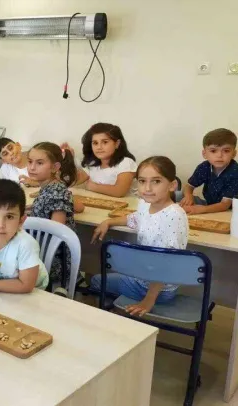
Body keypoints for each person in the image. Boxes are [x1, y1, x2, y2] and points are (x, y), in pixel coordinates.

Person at [92, 156, 188, 316]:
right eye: (142, 181)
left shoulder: (174, 216)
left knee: (96, 281)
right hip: (144, 276)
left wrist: (148, 300)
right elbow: (135, 218)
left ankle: (115, 318)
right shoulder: (146, 203)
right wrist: (109, 221)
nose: (147, 188)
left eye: (156, 181)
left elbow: (166, 262)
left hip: (157, 288)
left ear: (172, 185)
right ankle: (118, 312)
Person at [27, 142, 80, 287]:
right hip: (42, 251)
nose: (32, 167)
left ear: (55, 167)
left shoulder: (58, 191)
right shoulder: (49, 187)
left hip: (53, 258)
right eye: (30, 162)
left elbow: (56, 230)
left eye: (39, 163)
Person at [63, 123, 137, 197]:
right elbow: (71, 182)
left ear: (117, 144)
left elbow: (119, 191)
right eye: (95, 143)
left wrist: (93, 187)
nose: (99, 147)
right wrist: (68, 158)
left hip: (125, 204)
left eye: (105, 142)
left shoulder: (126, 162)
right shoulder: (92, 165)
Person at [179, 128, 238, 215]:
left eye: (226, 151)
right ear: (205, 154)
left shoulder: (235, 172)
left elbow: (225, 205)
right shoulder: (204, 167)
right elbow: (189, 186)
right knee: (179, 196)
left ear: (233, 154)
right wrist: (188, 196)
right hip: (209, 205)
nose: (219, 155)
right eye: (213, 151)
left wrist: (201, 209)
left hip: (231, 210)